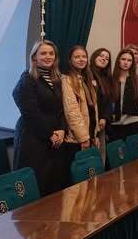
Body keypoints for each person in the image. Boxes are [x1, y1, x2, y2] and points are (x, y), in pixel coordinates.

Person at [12, 40, 68, 196]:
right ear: (34, 57)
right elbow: (31, 113)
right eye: (43, 53)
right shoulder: (27, 78)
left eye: (51, 53)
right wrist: (49, 134)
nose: (48, 56)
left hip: (55, 139)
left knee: (53, 185)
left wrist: (62, 130)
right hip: (33, 139)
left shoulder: (56, 79)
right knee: (35, 186)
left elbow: (61, 109)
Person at [61, 46, 100, 174]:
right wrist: (84, 138)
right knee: (79, 178)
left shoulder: (86, 78)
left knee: (91, 176)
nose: (81, 59)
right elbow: (72, 112)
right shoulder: (67, 80)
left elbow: (92, 110)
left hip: (90, 135)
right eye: (77, 57)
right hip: (77, 139)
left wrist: (95, 134)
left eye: (84, 56)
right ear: (70, 60)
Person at [109, 49, 138, 142]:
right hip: (114, 124)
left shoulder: (137, 81)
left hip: (133, 123)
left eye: (129, 60)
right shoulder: (111, 80)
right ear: (118, 61)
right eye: (123, 59)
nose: (126, 62)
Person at [90, 48, 114, 156]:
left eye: (107, 58)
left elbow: (109, 101)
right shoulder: (86, 74)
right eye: (101, 56)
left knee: (101, 156)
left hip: (102, 124)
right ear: (94, 56)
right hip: (89, 123)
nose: (104, 59)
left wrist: (104, 117)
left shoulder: (107, 78)